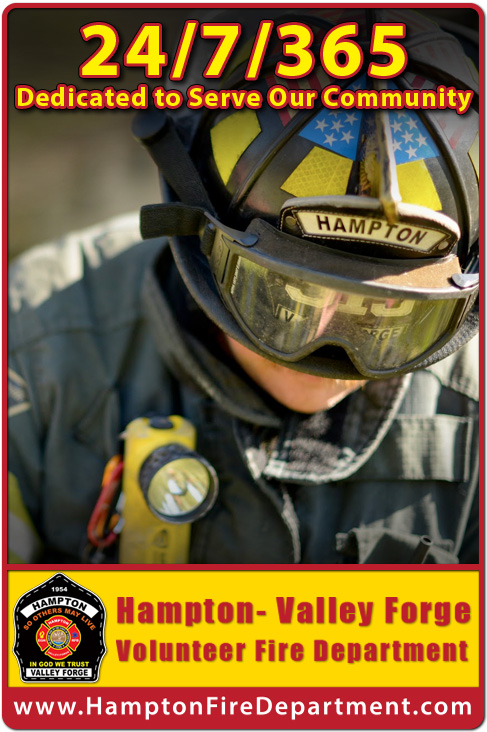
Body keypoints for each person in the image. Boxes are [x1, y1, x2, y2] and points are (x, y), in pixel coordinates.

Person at [8, 9, 479, 564]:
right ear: (196, 229)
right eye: (286, 298)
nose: (327, 353)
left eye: (385, 314)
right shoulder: (33, 346)